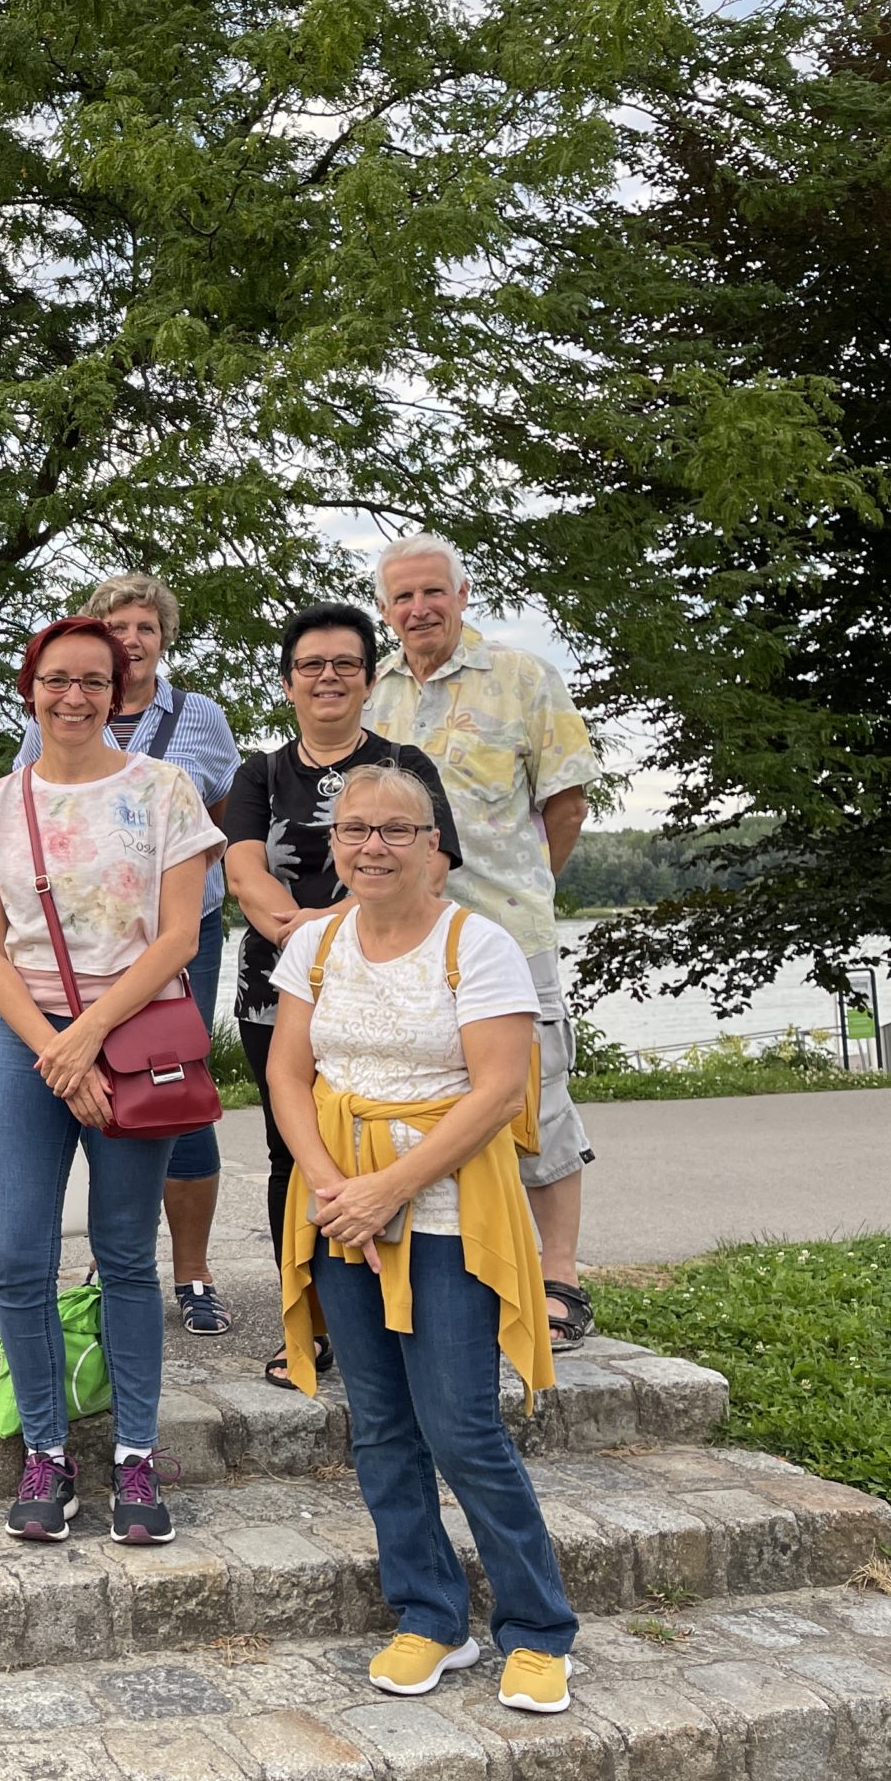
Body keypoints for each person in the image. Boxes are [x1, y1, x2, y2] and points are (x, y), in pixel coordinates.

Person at [270, 763, 575, 1715]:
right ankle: (428, 1613)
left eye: (396, 830)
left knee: (462, 1426)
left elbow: (495, 1090)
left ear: (434, 847)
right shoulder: (313, 946)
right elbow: (286, 1075)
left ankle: (536, 1629)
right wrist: (333, 1190)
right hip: (339, 1209)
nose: (373, 846)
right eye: (355, 830)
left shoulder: (476, 947)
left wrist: (389, 1190)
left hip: (447, 1213)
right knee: (383, 1428)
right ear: (334, 847)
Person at [0, 617, 224, 1544]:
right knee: (22, 1259)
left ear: (121, 690)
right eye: (57, 680)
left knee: (123, 1256)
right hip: (26, 1043)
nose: (75, 697)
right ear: (30, 688)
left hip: (136, 1039)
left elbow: (181, 938)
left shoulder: (165, 791)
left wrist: (90, 1039)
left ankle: (137, 1458)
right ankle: (46, 1451)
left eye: (95, 682)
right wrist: (53, 1050)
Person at [364, 533, 602, 1351]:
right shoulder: (371, 691)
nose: (418, 609)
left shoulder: (523, 678)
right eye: (402, 597)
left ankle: (559, 1277)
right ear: (386, 608)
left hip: (506, 932)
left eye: (432, 592)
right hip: (402, 938)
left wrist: (526, 891)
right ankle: (458, 1271)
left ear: (462, 593)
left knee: (538, 1100)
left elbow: (564, 806)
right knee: (426, 1098)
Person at [224, 605, 463, 1387]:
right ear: (288, 680)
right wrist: (306, 936)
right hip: (278, 990)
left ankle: (416, 1311)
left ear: (368, 678)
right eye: (311, 665)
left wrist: (328, 925)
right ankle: (315, 1321)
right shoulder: (258, 773)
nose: (327, 678)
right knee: (294, 1152)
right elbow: (244, 871)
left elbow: (432, 867)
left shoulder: (406, 765)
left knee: (393, 1138)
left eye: (345, 664)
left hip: (394, 985)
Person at [14, 574, 239, 1338]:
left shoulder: (199, 719)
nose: (131, 637)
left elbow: (214, 817)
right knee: (88, 1095)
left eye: (144, 625)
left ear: (161, 637)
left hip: (174, 940)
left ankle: (193, 1269)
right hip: (68, 953)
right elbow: (27, 812)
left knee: (171, 1090)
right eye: (116, 625)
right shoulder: (58, 715)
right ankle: (115, 1253)